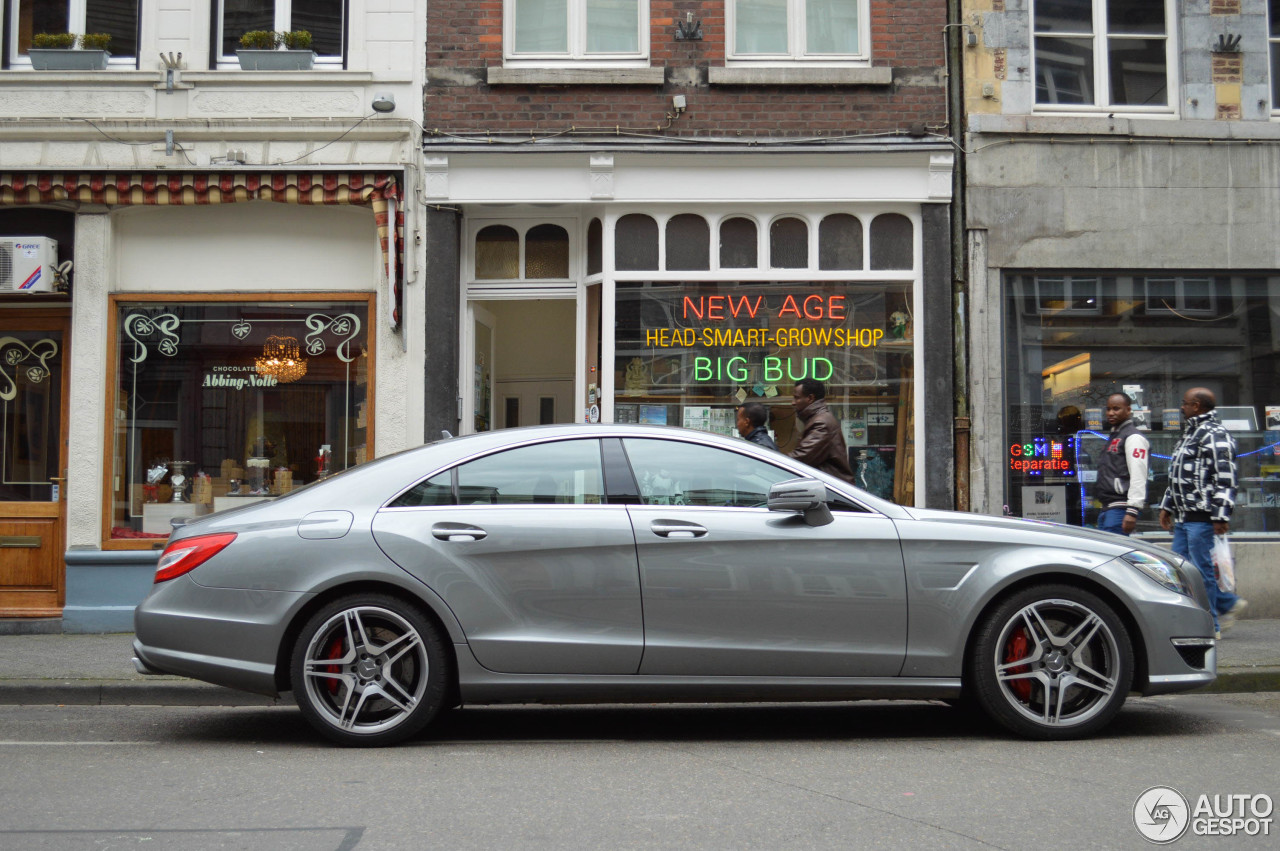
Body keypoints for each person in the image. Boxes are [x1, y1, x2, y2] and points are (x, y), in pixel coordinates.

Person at [1158, 387, 1248, 638]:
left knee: (1200, 573)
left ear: (1196, 406)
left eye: (1185, 403)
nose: (1182, 407)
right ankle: (1214, 611)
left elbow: (1226, 478)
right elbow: (1178, 474)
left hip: (1201, 518)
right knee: (1182, 572)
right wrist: (1167, 506)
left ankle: (1211, 625)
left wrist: (1221, 516)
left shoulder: (1214, 434)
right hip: (1186, 517)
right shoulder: (1191, 433)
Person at [1096, 392, 1149, 535]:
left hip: (1120, 509)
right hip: (1108, 508)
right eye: (1108, 409)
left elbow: (1139, 474)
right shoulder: (1115, 435)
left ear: (1128, 410)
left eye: (1116, 408)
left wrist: (1132, 510)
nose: (1110, 413)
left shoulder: (1133, 437)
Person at [790, 379, 855, 484]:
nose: (793, 403)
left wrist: (771, 461)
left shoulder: (821, 423)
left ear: (810, 398)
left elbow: (801, 457)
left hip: (833, 491)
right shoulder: (818, 419)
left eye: (796, 398)